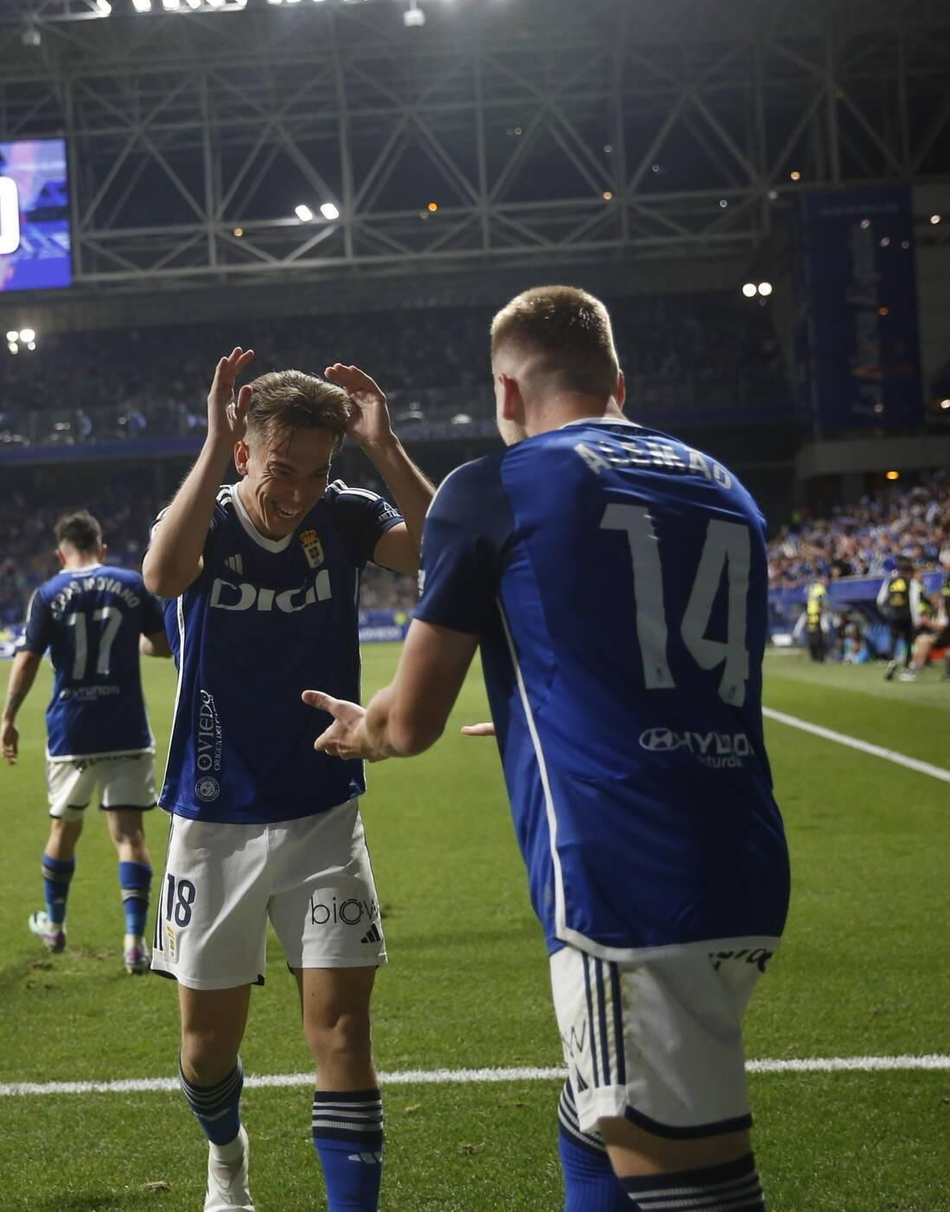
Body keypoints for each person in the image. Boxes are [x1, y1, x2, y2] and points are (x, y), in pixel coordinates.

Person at [302, 286, 786, 1212]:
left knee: (699, 1187)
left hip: (626, 884)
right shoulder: (724, 484)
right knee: (590, 1122)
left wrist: (363, 728)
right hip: (747, 861)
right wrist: (550, 713)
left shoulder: (498, 485)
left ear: (508, 394)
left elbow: (411, 720)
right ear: (617, 380)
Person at [143, 351, 431, 1212]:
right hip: (214, 813)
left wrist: (384, 449)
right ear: (243, 454)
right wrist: (210, 438)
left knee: (342, 1031)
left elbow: (436, 549)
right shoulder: (205, 519)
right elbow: (161, 577)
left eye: (318, 469)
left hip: (321, 813)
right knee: (204, 1052)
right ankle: (226, 1154)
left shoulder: (345, 514)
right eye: (282, 468)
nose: (300, 488)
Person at [0, 510, 171, 974]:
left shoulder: (49, 593)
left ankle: (54, 927)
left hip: (72, 732)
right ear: (103, 547)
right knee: (130, 835)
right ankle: (135, 941)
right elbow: (165, 644)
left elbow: (28, 660)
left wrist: (9, 716)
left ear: (61, 554)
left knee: (64, 831)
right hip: (127, 728)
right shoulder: (130, 583)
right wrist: (137, 644)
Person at [876, 558, 923, 681]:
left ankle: (891, 660)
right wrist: (916, 619)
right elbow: (914, 602)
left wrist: (887, 613)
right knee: (908, 641)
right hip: (907, 616)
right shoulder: (911, 583)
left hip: (894, 615)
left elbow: (880, 600)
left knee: (893, 640)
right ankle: (907, 668)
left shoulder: (890, 581)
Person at [803, 580, 829, 662]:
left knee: (812, 635)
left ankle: (814, 656)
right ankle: (819, 656)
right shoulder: (821, 589)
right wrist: (822, 610)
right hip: (816, 615)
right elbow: (821, 601)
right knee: (818, 636)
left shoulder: (811, 588)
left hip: (810, 614)